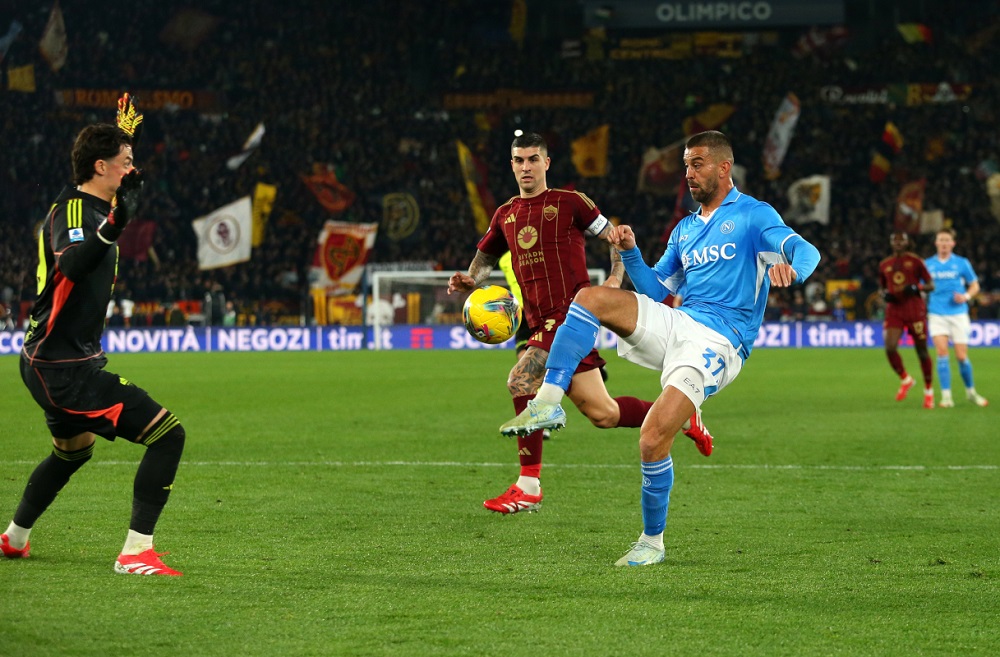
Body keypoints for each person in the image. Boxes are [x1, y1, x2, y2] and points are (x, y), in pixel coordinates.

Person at [499, 131, 820, 565]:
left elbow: (805, 250)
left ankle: (652, 542)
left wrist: (793, 270)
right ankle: (548, 403)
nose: (688, 173)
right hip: (679, 322)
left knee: (651, 439)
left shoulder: (753, 215)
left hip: (719, 341)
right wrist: (631, 253)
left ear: (724, 167)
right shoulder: (685, 229)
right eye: (686, 165)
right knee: (589, 298)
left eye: (697, 164)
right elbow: (655, 290)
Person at [448, 132, 713, 515]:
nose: (526, 167)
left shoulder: (570, 202)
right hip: (539, 322)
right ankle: (683, 416)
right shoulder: (505, 214)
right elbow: (486, 255)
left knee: (521, 380)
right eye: (519, 160)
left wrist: (615, 279)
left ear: (546, 163)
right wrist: (472, 279)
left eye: (533, 159)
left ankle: (528, 486)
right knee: (604, 414)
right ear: (512, 165)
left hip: (571, 316)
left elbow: (615, 237)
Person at [2, 100, 187, 576]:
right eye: (125, 162)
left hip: (55, 359)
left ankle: (14, 538)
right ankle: (135, 552)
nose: (133, 170)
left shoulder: (94, 207)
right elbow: (71, 264)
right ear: (100, 167)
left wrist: (123, 150)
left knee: (73, 451)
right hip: (62, 367)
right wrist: (116, 224)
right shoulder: (75, 211)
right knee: (167, 435)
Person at [925, 228, 988, 407]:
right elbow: (920, 286)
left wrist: (965, 296)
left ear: (953, 243)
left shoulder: (961, 263)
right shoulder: (927, 264)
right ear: (936, 243)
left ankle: (971, 392)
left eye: (947, 240)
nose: (944, 243)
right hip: (936, 314)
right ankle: (946, 397)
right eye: (941, 240)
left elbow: (974, 285)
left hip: (958, 314)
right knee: (941, 352)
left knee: (961, 356)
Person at [878, 231, 935, 408]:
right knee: (890, 347)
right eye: (894, 240)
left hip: (914, 311)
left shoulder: (916, 261)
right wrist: (884, 295)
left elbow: (931, 285)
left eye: (901, 240)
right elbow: (882, 288)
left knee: (922, 352)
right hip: (894, 310)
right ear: (891, 243)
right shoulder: (884, 264)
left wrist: (917, 288)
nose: (898, 243)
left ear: (907, 242)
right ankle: (906, 379)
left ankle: (928, 391)